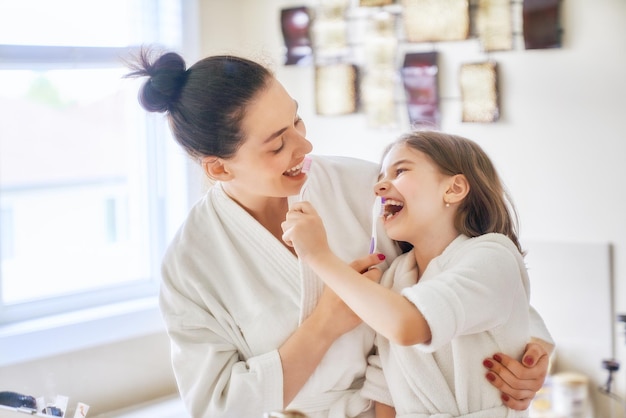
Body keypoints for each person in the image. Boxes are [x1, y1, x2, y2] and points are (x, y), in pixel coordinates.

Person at [125, 49, 553, 418]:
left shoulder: (360, 185)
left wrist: (529, 345)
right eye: (277, 145)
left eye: (297, 121)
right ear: (219, 167)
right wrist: (326, 323)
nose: (304, 147)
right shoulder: (191, 264)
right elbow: (218, 405)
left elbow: (461, 263)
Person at [282, 130, 547, 417]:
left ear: (454, 189)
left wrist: (319, 256)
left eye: (400, 171)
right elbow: (386, 387)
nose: (379, 187)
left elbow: (407, 325)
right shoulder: (398, 275)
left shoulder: (493, 257)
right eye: (381, 177)